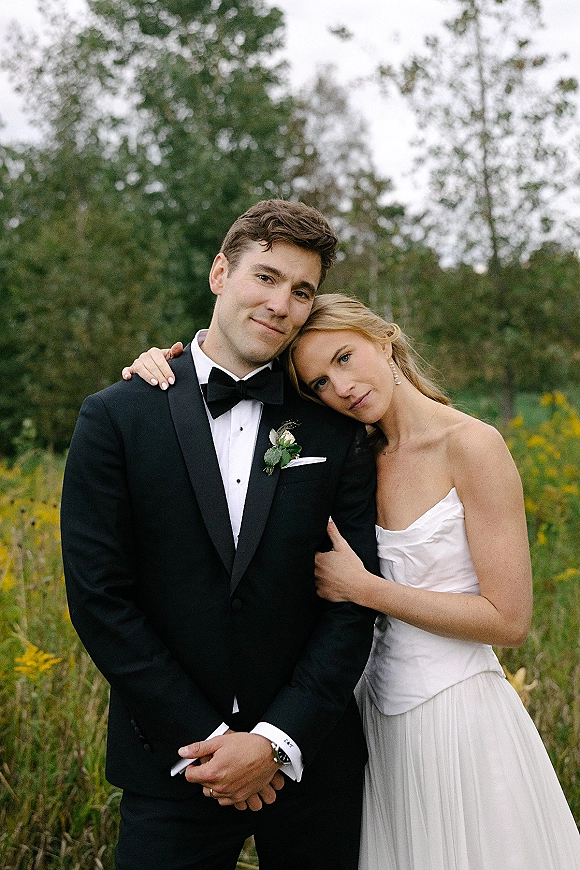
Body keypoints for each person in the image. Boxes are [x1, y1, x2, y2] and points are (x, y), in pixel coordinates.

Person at [129, 292, 580, 869]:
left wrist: (368, 589)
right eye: (317, 383)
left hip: (455, 718)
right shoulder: (353, 452)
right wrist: (162, 365)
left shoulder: (473, 445)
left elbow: (508, 620)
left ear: (383, 338)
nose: (339, 388)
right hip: (366, 722)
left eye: (344, 358)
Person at [60, 202, 380, 870]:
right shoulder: (115, 417)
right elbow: (100, 598)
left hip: (310, 762)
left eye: (301, 291)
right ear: (219, 273)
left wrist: (276, 740)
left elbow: (351, 604)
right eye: (265, 277)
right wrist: (207, 739)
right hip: (172, 764)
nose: (280, 303)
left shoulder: (331, 426)